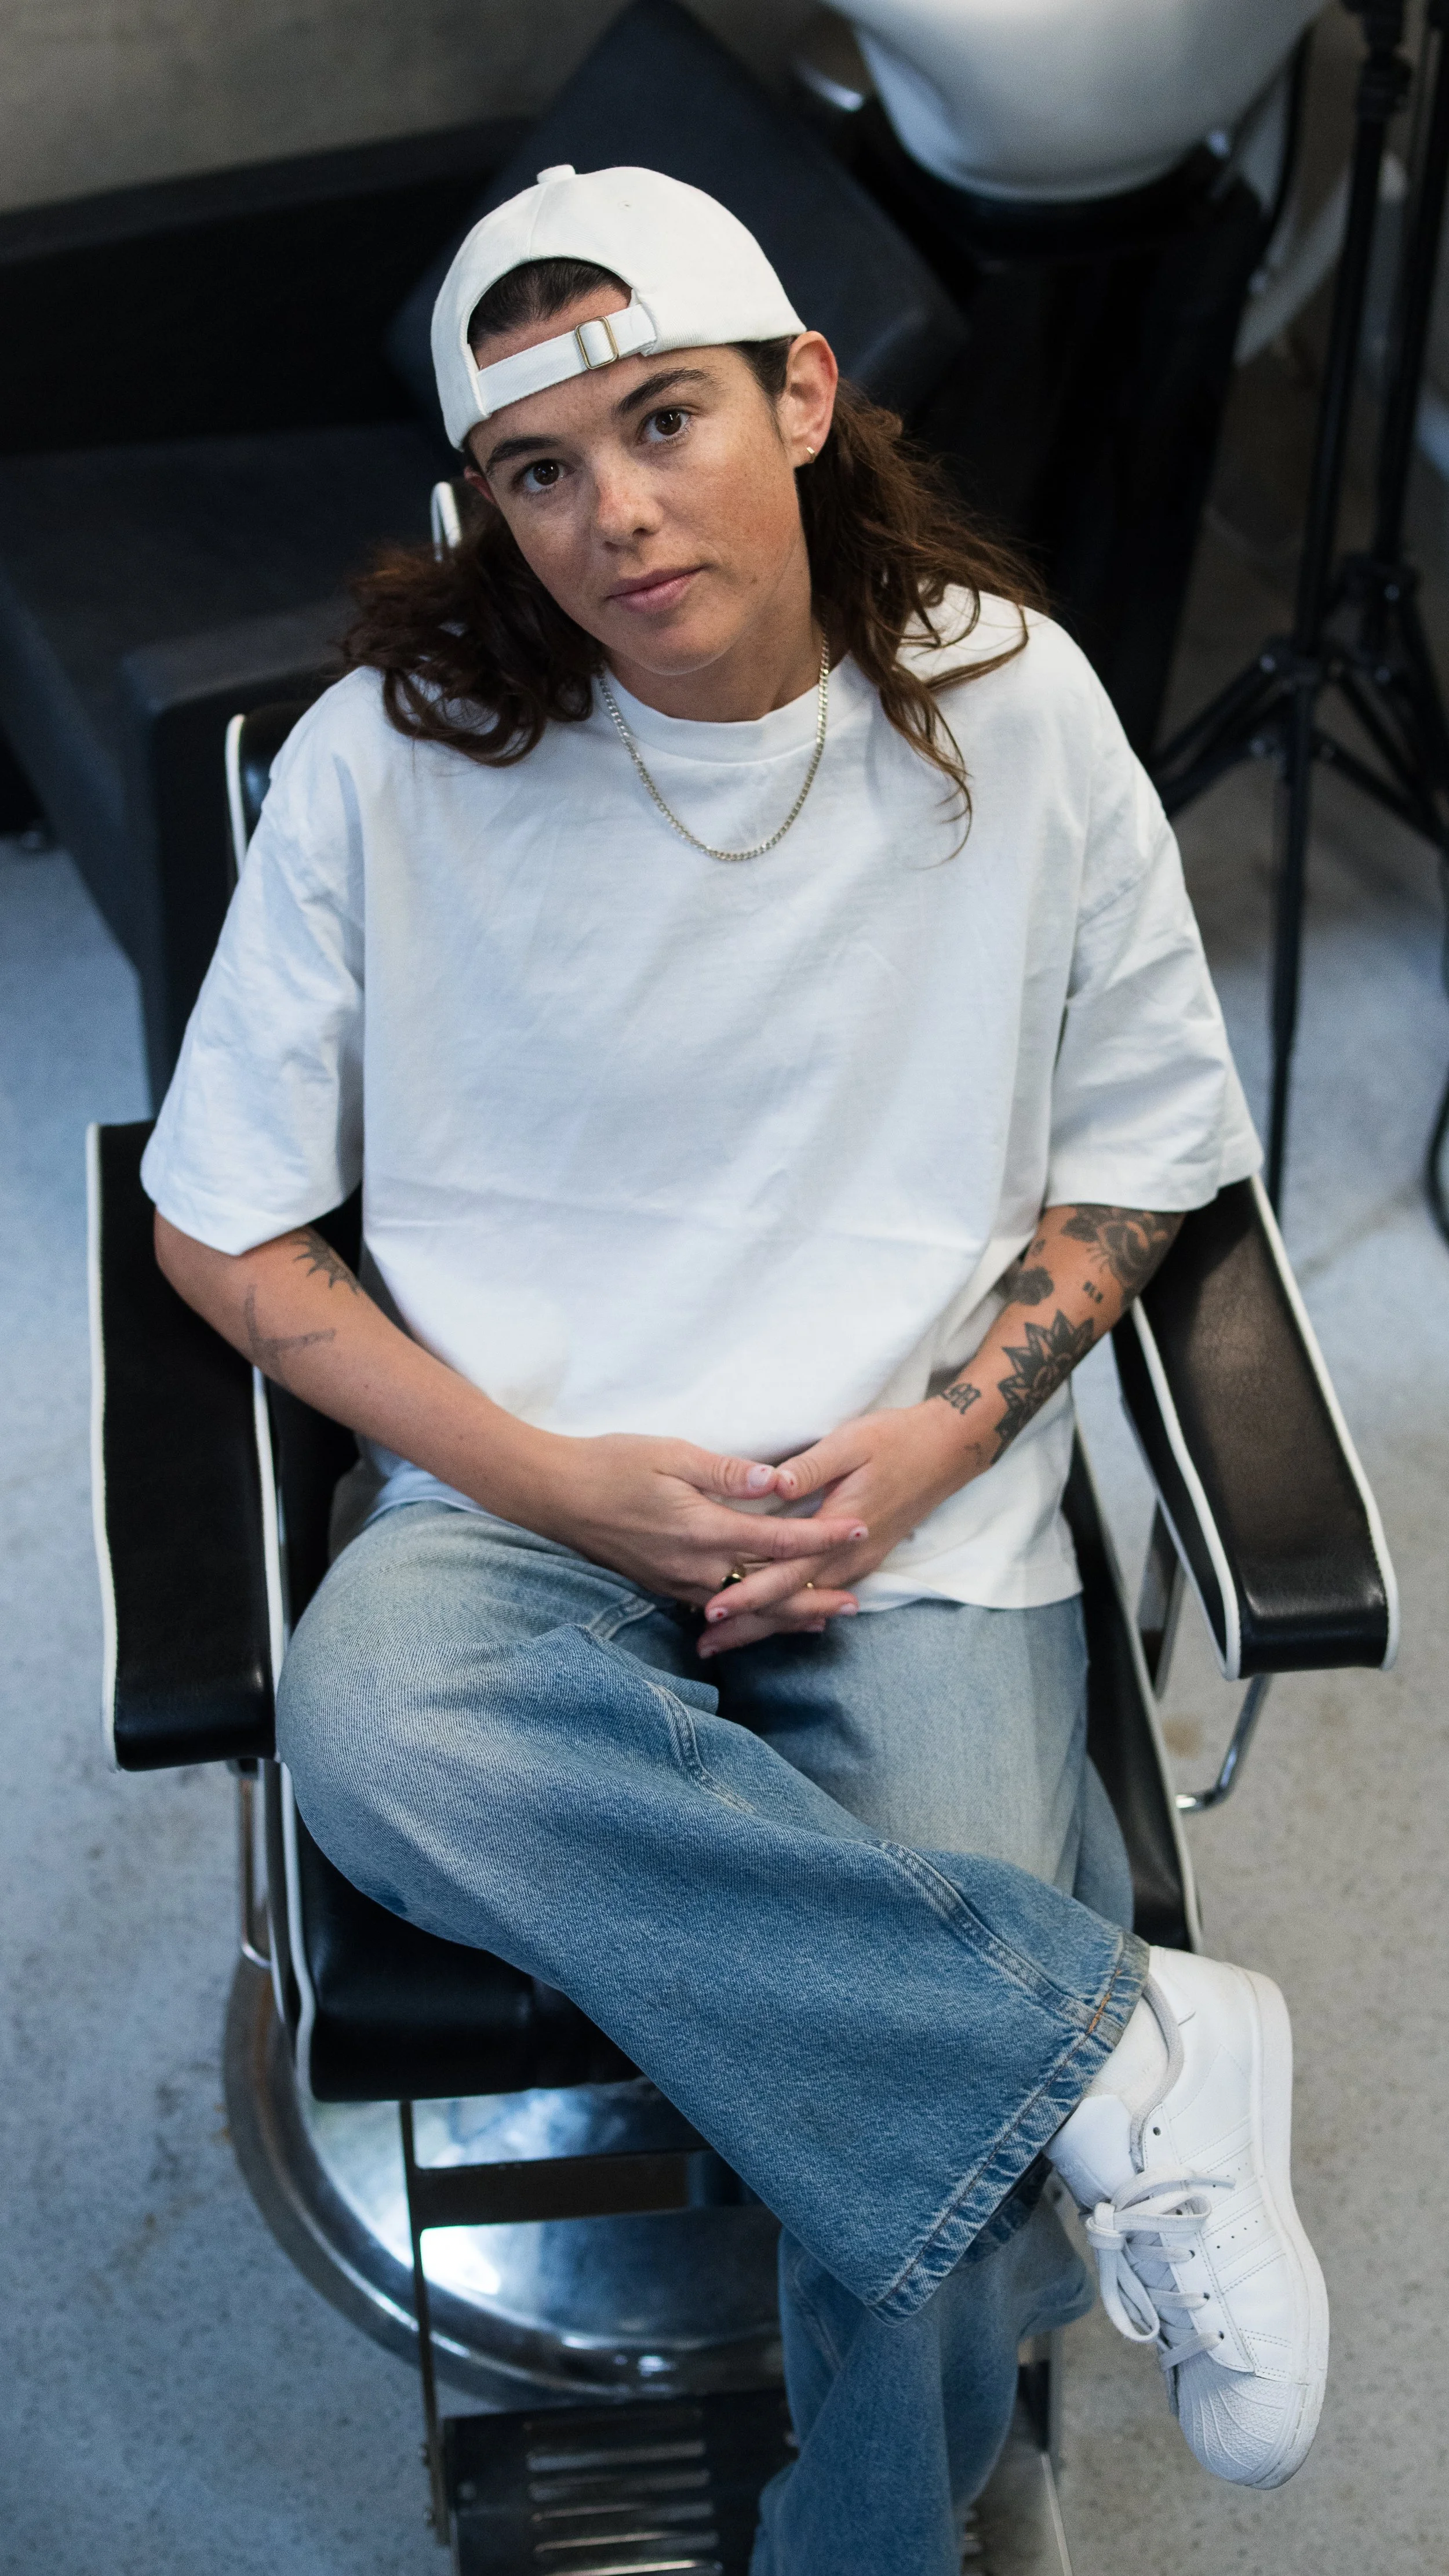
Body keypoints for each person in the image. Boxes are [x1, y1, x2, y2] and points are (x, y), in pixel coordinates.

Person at [143, 164, 1328, 2570]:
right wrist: (559, 1487)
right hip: (525, 1492)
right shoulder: (399, 755)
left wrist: (930, 1444)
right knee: (377, 1730)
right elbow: (216, 1211)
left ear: (800, 397)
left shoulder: (1019, 707)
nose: (611, 514)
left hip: (911, 1510)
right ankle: (1118, 2054)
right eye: (537, 471)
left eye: (662, 419)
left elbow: (1139, 1159)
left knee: (855, 2035)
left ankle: (865, 2543)